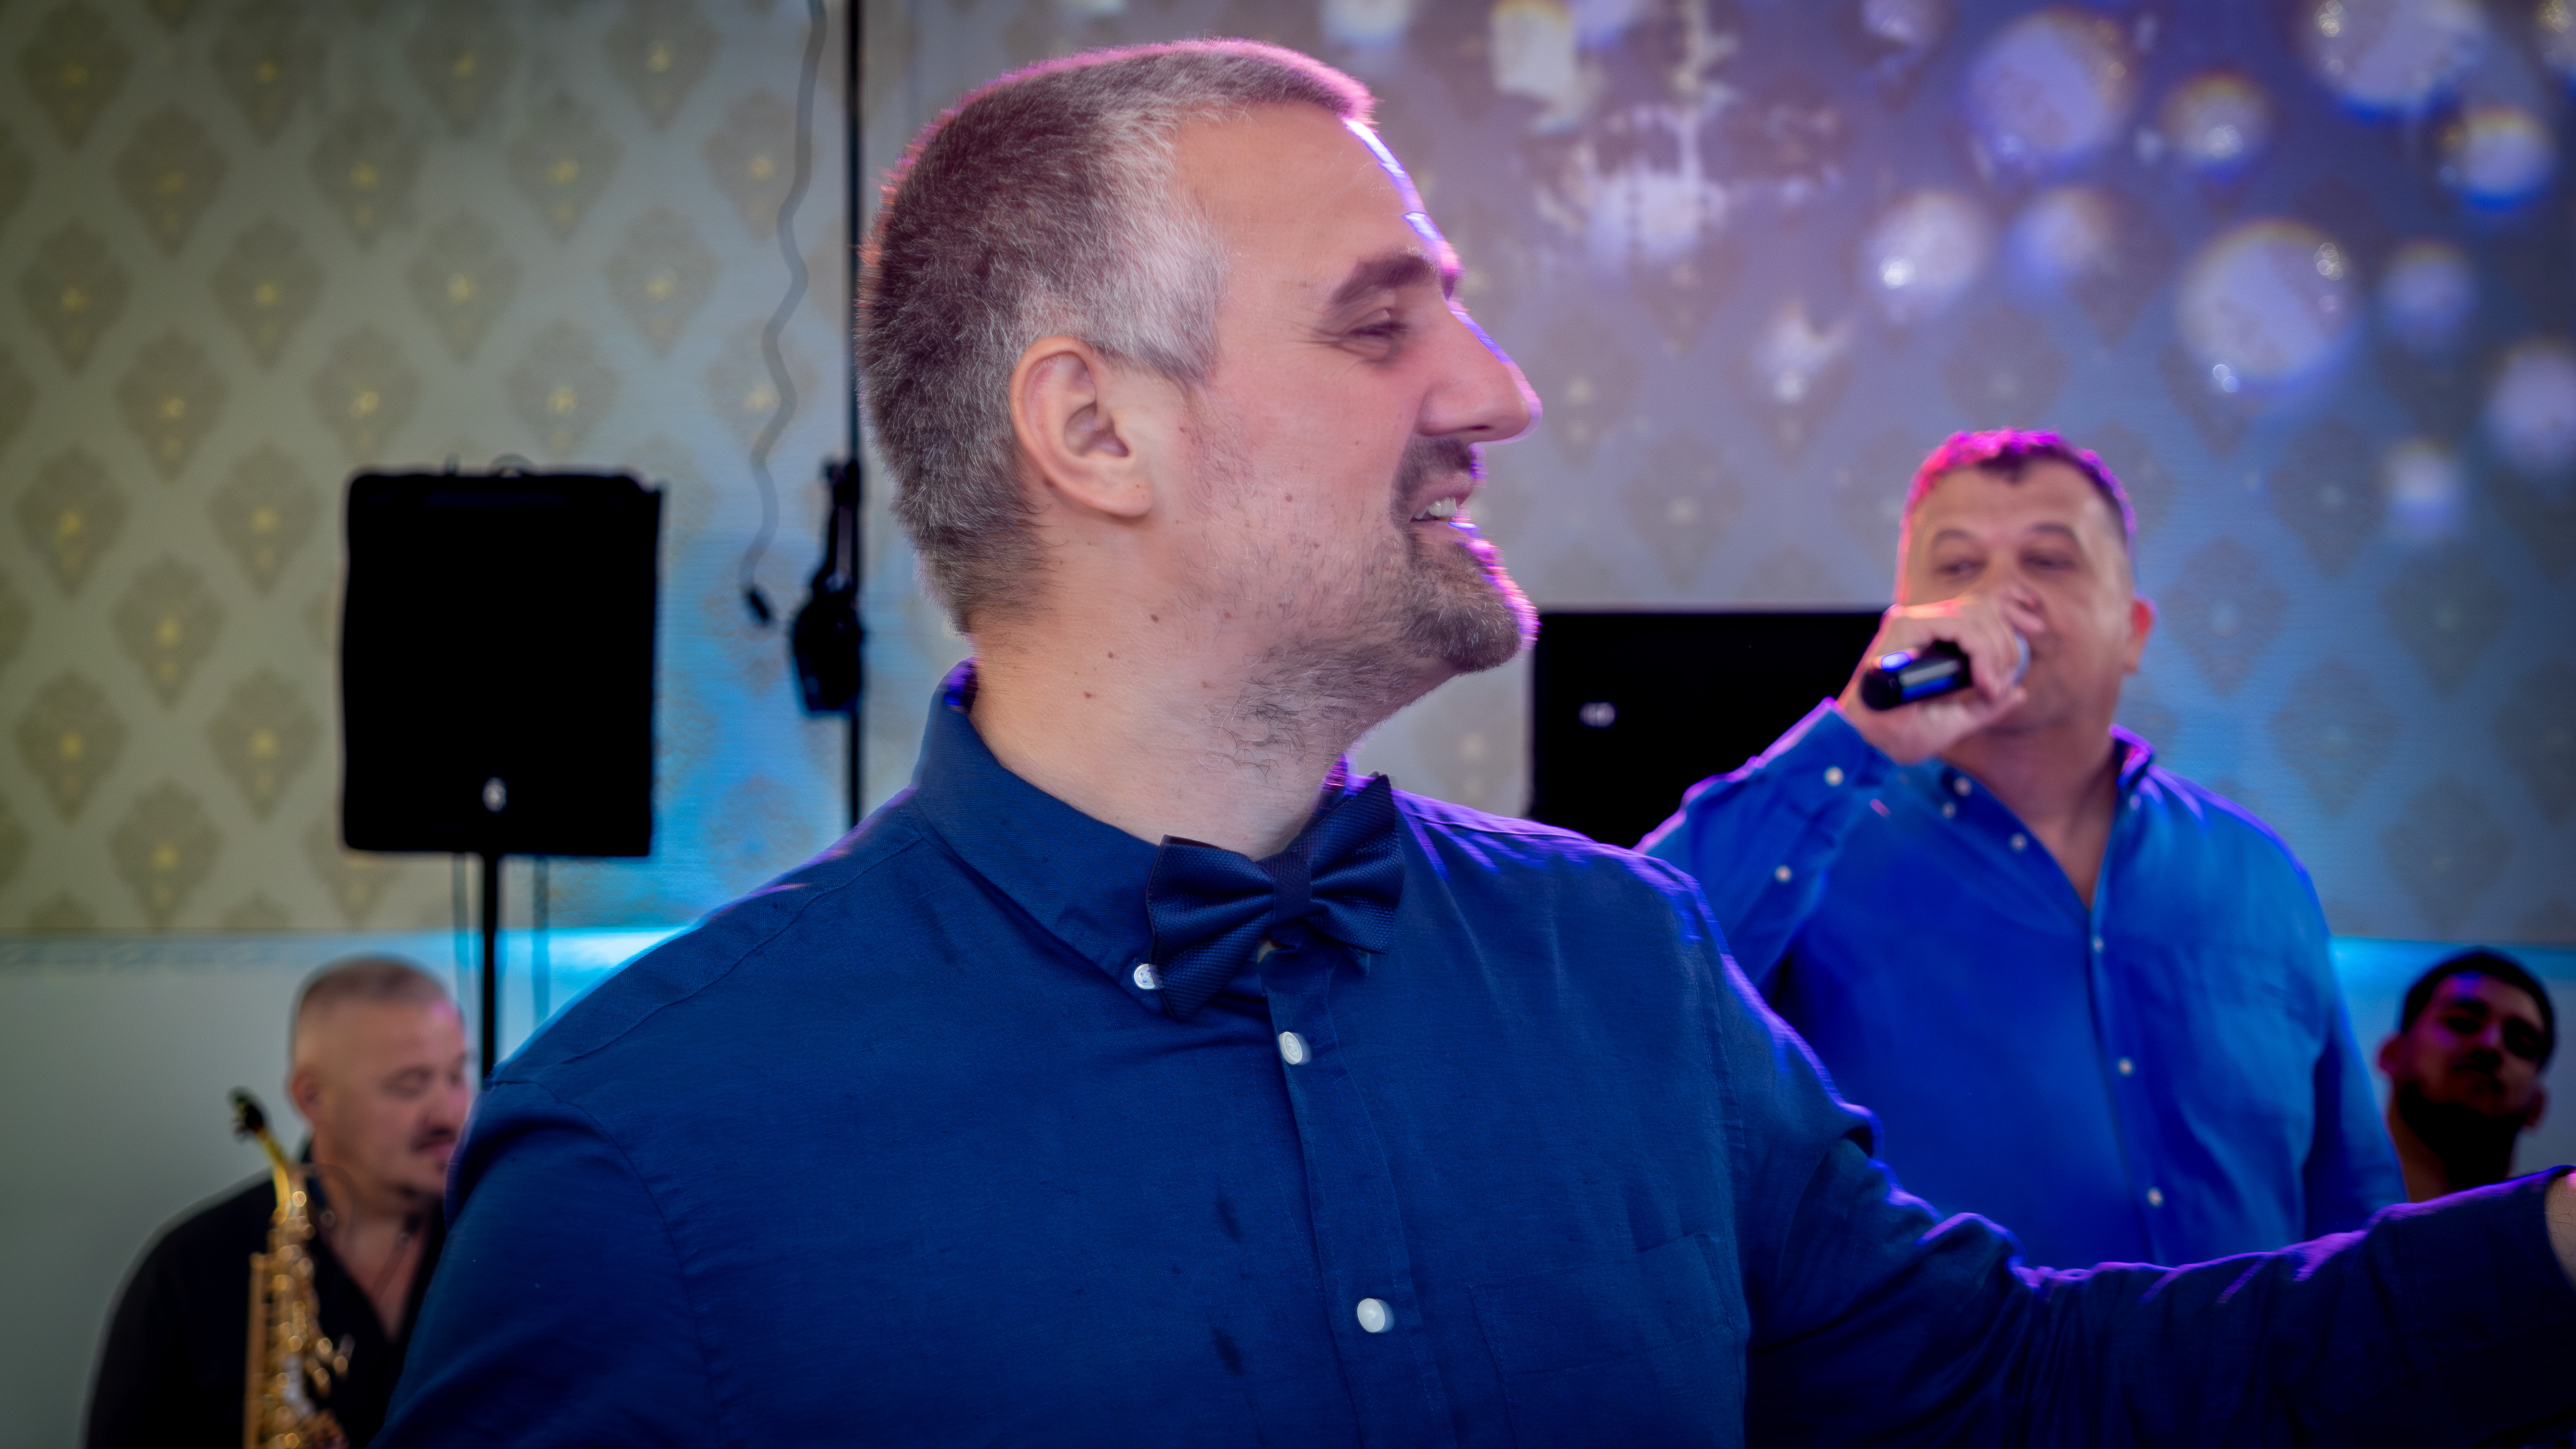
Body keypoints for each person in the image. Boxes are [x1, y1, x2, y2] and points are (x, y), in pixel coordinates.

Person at [383, 42, 2576, 1446]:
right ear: (1092, 429)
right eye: (1383, 319)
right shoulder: (645, 1164)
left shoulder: (1618, 963)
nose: (1499, 391)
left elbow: (2008, 1387)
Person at [1641, 430, 2403, 1269]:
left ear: (2132, 631)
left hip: (2246, 1357)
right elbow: (1626, 974)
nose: (2000, 592)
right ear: (1903, 618)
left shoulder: (2257, 873)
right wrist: (1856, 735)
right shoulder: (1814, 839)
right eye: (1958, 566)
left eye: (2048, 560)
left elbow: (2351, 1200)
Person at [86, 957, 467, 1449]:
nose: (450, 1113)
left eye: (457, 1075)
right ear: (313, 1098)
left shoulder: (501, 1246)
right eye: (409, 1085)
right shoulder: (189, 1268)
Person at [2380, 948, 2557, 1200]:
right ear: (2392, 1054)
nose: (2490, 1045)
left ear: (2536, 1107)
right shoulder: (2318, 1208)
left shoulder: (2560, 1224)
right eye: (2462, 1022)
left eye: (2520, 1044)